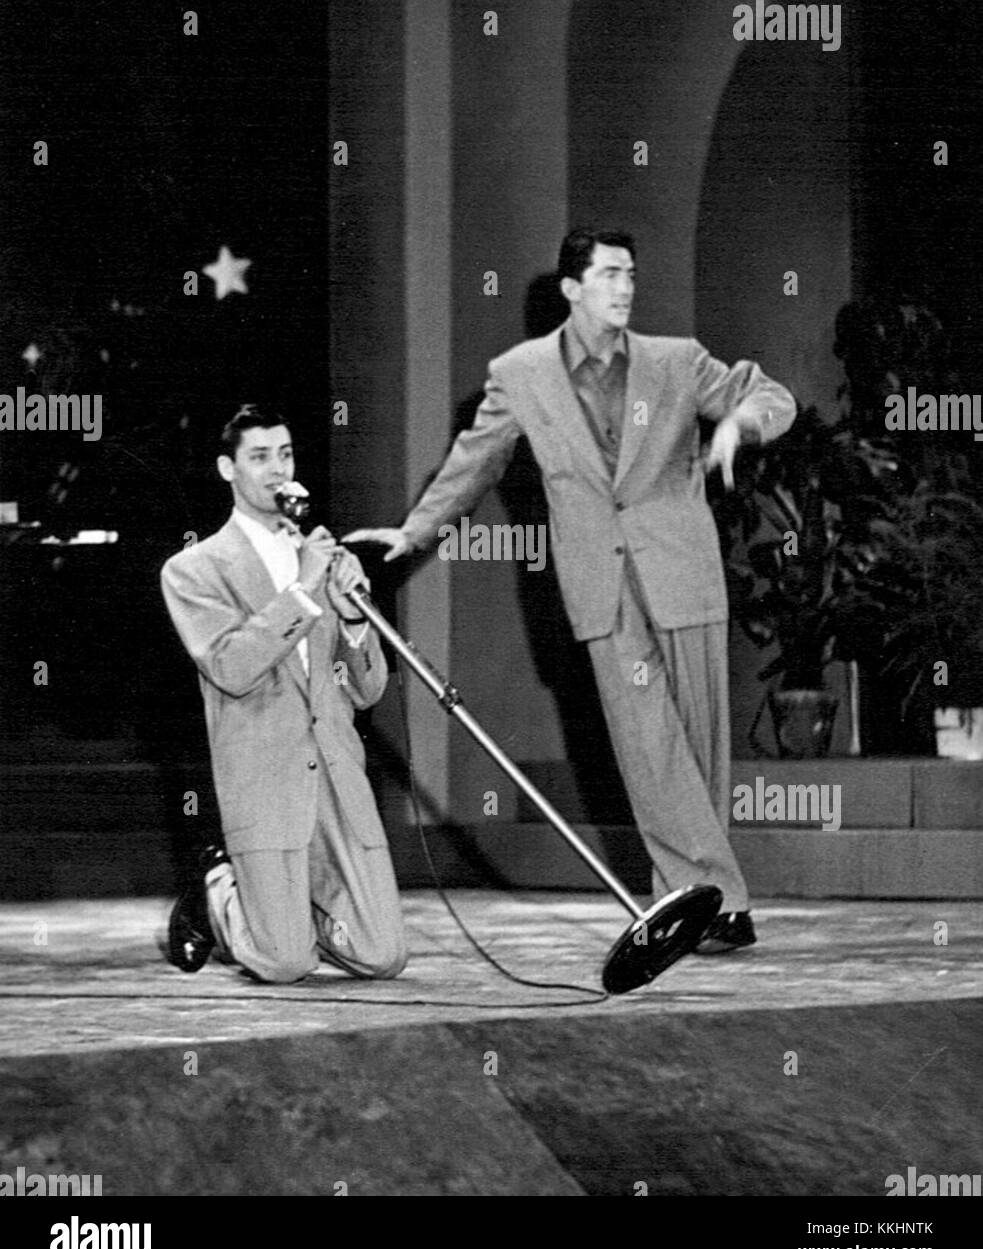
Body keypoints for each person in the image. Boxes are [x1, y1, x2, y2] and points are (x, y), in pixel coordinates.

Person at [347, 226, 796, 953]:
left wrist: (737, 428)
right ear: (571, 288)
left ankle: (692, 900)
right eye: (611, 274)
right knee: (647, 745)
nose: (625, 287)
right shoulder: (520, 374)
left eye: (630, 275)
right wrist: (414, 531)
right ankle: (721, 897)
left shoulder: (675, 361)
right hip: (600, 586)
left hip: (682, 571)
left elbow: (767, 394)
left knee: (697, 744)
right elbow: (473, 461)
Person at [161, 404, 407, 983]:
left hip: (337, 780)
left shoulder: (329, 558)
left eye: (286, 454)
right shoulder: (194, 570)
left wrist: (353, 623)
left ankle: (290, 916)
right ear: (228, 469)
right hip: (265, 782)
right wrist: (301, 588)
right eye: (260, 457)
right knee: (285, 964)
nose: (277, 470)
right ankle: (218, 892)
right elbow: (232, 667)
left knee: (382, 957)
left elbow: (366, 691)